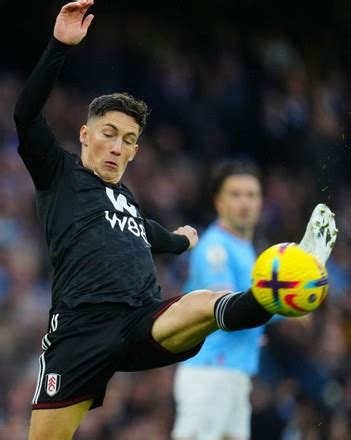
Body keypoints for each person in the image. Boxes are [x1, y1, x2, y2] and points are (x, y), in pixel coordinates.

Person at [13, 2, 337, 439]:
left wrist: (180, 242)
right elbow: (26, 116)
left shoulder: (125, 199)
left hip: (143, 319)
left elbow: (143, 233)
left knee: (204, 303)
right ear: (85, 135)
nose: (116, 147)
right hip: (80, 331)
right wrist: (58, 46)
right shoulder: (59, 173)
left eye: (128, 140)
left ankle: (279, 289)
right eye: (108, 133)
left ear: (135, 151)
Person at [170, 160, 336, 440]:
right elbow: (226, 307)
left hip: (235, 374)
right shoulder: (215, 248)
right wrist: (290, 289)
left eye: (251, 195)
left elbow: (254, 305)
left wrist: (295, 293)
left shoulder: (248, 250)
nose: (244, 202)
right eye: (235, 195)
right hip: (209, 371)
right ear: (218, 201)